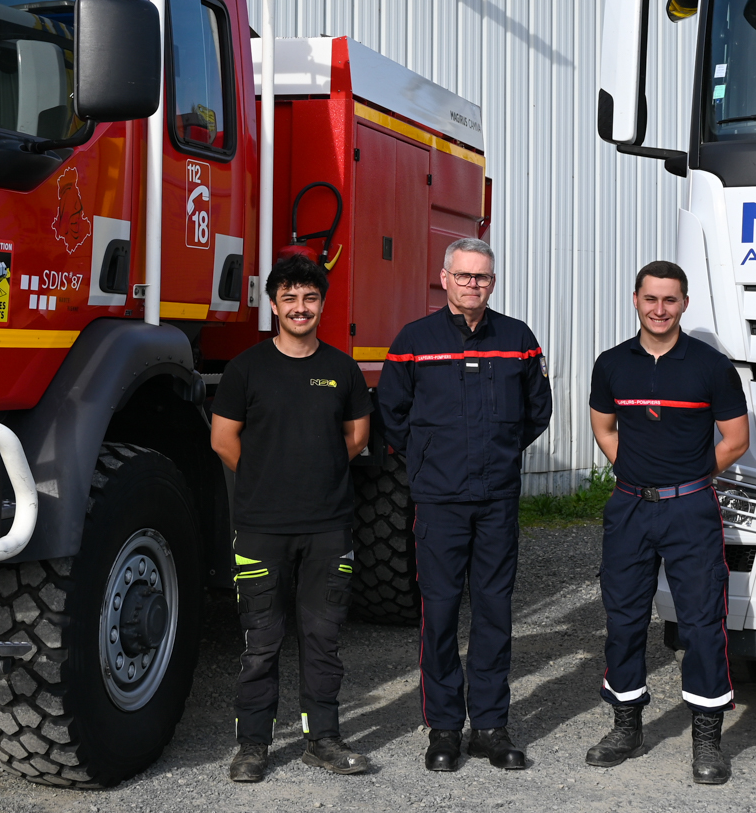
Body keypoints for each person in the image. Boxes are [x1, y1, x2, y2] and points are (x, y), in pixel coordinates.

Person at [380, 237, 552, 773]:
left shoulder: (517, 339)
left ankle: (491, 728)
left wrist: (499, 452)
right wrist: (428, 459)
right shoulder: (414, 340)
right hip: (438, 501)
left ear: (492, 283)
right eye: (463, 275)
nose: (472, 284)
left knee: (495, 612)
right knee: (440, 614)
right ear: (444, 278)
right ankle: (445, 729)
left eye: (482, 277)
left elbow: (537, 411)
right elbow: (392, 413)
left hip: (496, 499)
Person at [210, 252, 375, 783]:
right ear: (274, 306)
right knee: (261, 642)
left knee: (323, 640)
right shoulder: (246, 368)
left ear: (321, 304)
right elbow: (223, 439)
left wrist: (315, 473)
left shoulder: (341, 369)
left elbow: (357, 437)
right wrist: (270, 479)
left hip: (328, 527)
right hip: (261, 527)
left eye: (309, 298)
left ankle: (322, 739)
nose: (300, 307)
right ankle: (252, 745)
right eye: (289, 299)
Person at [586, 260, 749, 785]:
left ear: (684, 303)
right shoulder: (611, 364)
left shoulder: (711, 366)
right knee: (624, 618)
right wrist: (636, 472)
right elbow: (604, 428)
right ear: (636, 299)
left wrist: (688, 478)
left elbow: (736, 440)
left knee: (701, 623)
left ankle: (707, 739)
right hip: (630, 507)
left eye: (670, 300)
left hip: (690, 508)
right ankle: (626, 727)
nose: (660, 309)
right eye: (651, 299)